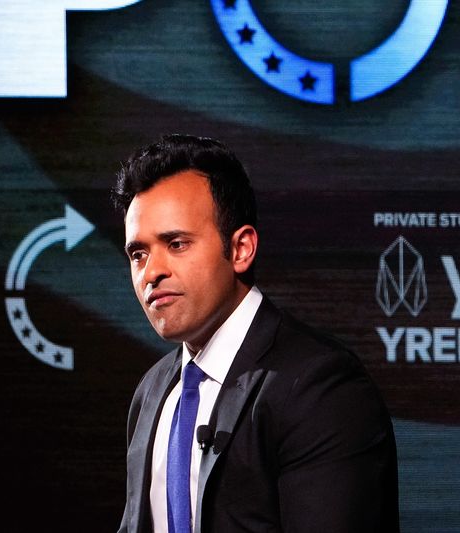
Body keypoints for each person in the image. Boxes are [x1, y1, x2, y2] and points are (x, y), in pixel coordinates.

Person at [112, 134, 399, 533]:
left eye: (176, 244)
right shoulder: (152, 392)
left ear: (242, 248)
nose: (151, 272)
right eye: (138, 253)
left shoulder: (318, 386)